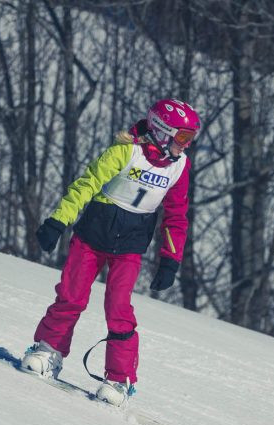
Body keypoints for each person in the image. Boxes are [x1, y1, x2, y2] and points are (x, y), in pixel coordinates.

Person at [21, 99, 201, 407]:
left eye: (191, 139)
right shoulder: (125, 151)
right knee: (71, 295)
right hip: (92, 236)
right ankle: (48, 350)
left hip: (129, 246)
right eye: (183, 137)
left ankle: (119, 379)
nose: (186, 146)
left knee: (118, 309)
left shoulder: (178, 168)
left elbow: (176, 217)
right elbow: (86, 185)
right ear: (161, 131)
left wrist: (170, 260)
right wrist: (58, 220)